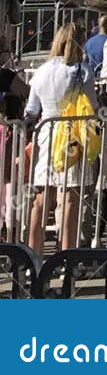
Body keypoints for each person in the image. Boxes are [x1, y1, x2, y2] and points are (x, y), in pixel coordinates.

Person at [25, 23, 96, 254]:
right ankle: (66, 255)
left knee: (41, 197)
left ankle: (33, 255)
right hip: (71, 135)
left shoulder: (41, 71)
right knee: (70, 199)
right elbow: (91, 107)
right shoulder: (82, 71)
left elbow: (31, 109)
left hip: (46, 133)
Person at [0, 48, 29, 241]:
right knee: (9, 186)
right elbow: (27, 92)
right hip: (6, 133)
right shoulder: (4, 75)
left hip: (6, 131)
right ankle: (11, 237)